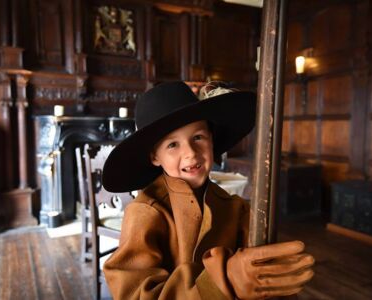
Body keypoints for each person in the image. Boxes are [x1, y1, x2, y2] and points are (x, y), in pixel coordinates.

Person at [102, 81, 314, 299]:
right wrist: (223, 282)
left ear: (211, 140)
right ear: (155, 157)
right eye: (173, 145)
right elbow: (134, 294)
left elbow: (259, 269)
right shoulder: (146, 212)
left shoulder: (235, 207)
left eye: (198, 137)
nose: (191, 153)